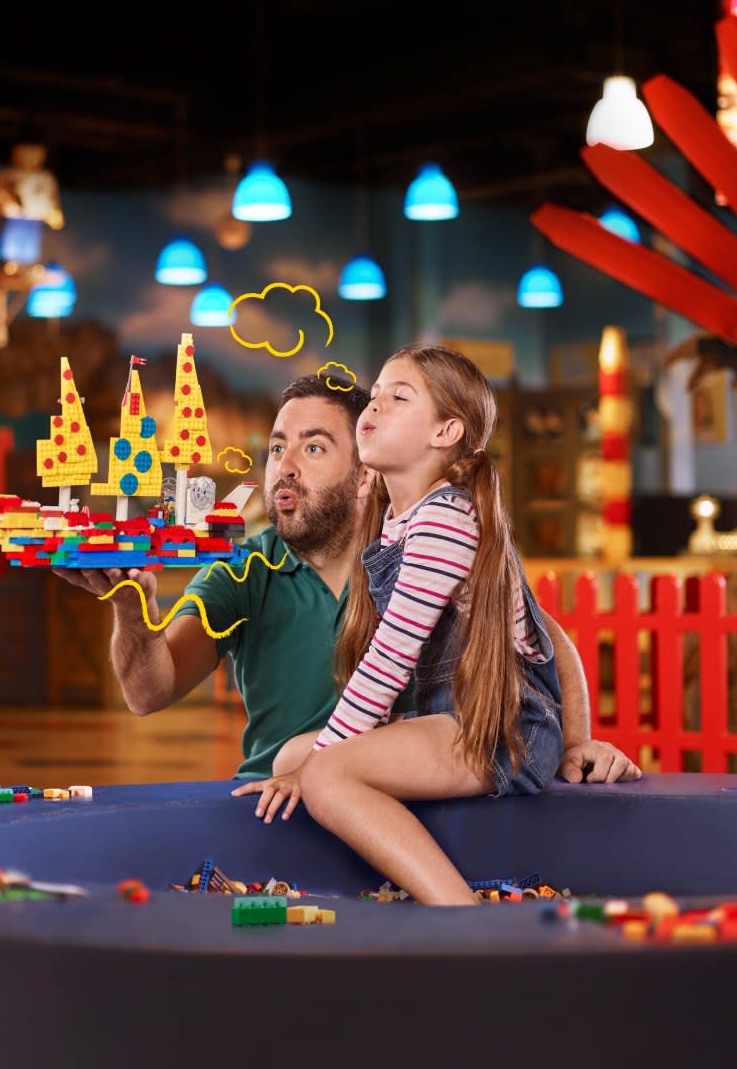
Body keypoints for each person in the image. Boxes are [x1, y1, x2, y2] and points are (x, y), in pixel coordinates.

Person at [53, 372, 639, 790]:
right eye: (278, 447)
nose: (284, 465)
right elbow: (147, 693)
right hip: (273, 806)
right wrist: (132, 606)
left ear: (365, 473)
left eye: (314, 447)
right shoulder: (240, 572)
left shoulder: (416, 553)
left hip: (400, 806)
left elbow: (542, 637)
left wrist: (577, 741)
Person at [231, 345, 640, 905]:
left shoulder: (445, 521)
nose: (373, 407)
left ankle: (459, 915)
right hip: (453, 718)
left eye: (398, 398)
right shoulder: (400, 521)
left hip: (498, 729)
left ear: (446, 431)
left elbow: (390, 662)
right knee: (288, 757)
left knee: (323, 776)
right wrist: (313, 759)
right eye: (374, 395)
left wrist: (575, 740)